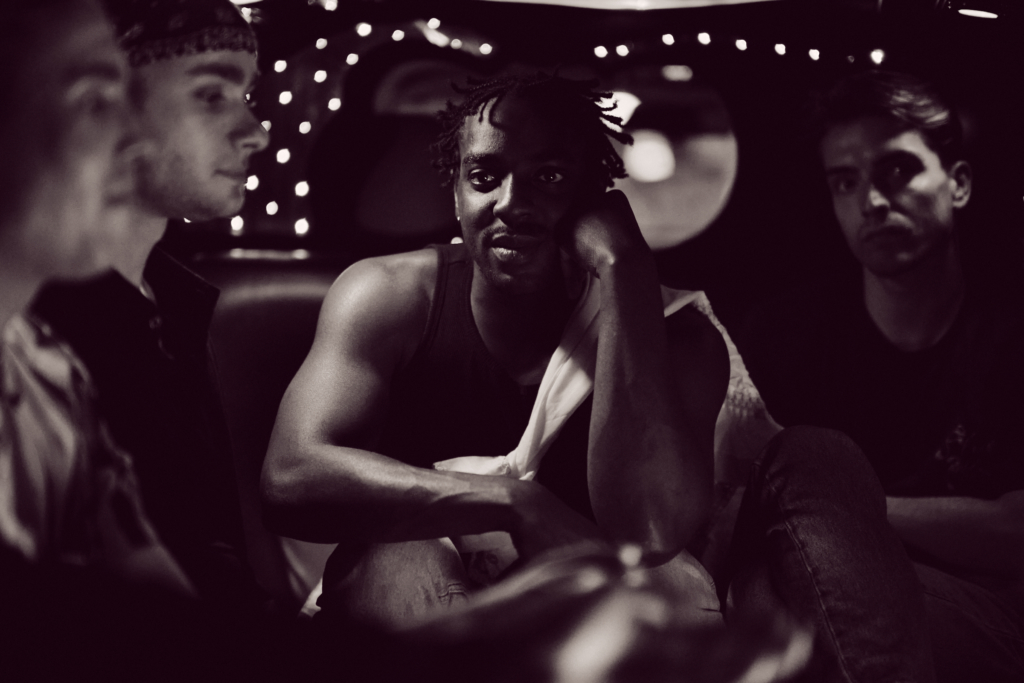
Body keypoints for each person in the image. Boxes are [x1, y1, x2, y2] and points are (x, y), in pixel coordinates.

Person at [265, 73, 937, 683]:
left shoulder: (678, 337)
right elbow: (291, 476)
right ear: (457, 188)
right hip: (417, 594)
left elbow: (651, 532)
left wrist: (624, 270)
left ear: (595, 200)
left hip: (592, 609)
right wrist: (511, 502)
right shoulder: (388, 294)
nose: (510, 202)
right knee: (399, 559)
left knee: (671, 587)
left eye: (549, 177)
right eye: (485, 175)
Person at [741, 70, 1024, 681]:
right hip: (820, 595)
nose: (871, 201)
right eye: (846, 182)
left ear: (959, 184)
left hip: (989, 613)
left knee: (810, 468)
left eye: (897, 170)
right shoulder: (785, 335)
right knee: (764, 584)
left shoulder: (1009, 334)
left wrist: (835, 505)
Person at [29, 0, 271, 616]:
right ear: (103, 107)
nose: (256, 131)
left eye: (246, 96)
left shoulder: (174, 300)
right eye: (212, 95)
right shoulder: (33, 323)